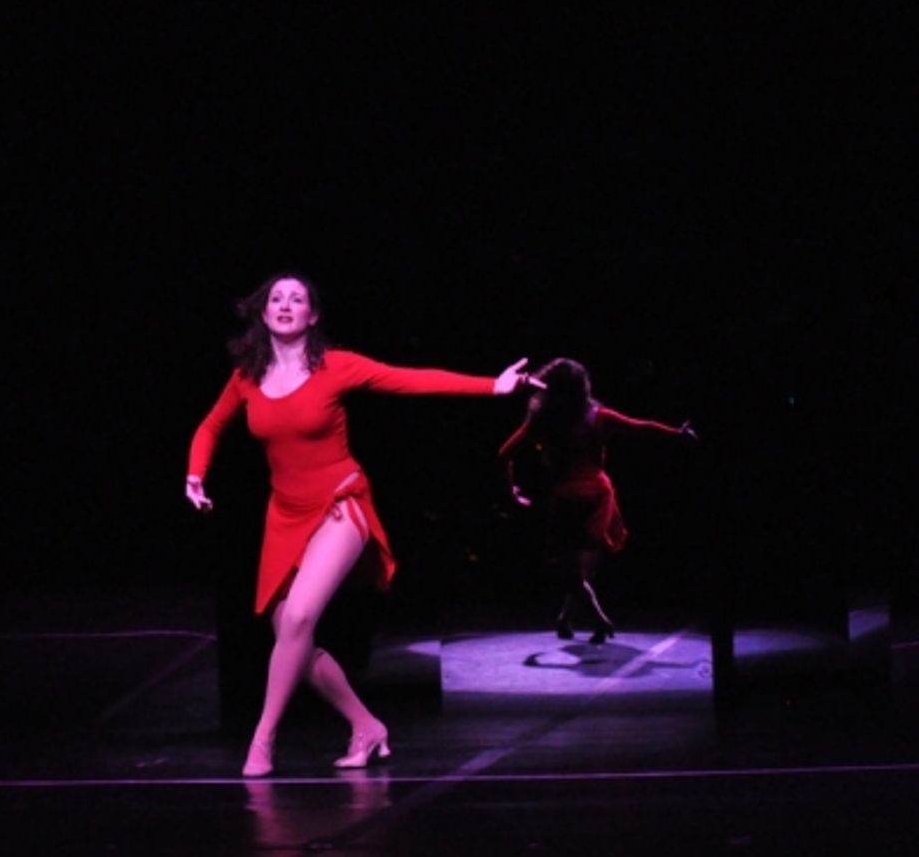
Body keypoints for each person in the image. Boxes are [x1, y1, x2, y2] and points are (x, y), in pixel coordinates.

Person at [185, 271, 540, 778]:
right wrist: (195, 475)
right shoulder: (246, 375)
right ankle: (367, 726)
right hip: (284, 513)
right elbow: (211, 425)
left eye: (297, 298)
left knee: (301, 617)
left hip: (339, 501)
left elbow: (412, 379)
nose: (285, 304)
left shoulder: (338, 366)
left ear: (313, 315)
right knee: (288, 630)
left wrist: (493, 386)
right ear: (264, 315)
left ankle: (262, 739)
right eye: (276, 299)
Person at [496, 357, 698, 645]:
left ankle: (600, 620)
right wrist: (677, 434)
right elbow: (641, 427)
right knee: (581, 568)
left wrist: (511, 492)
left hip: (568, 498)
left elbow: (503, 455)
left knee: (570, 569)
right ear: (582, 388)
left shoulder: (543, 422)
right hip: (598, 497)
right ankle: (565, 618)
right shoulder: (598, 417)